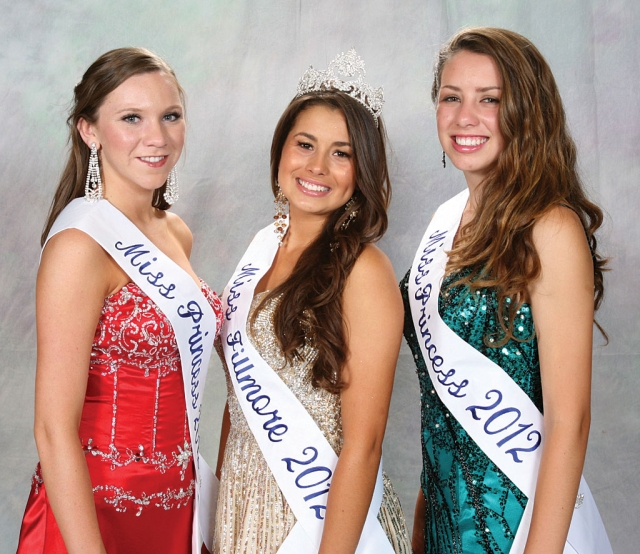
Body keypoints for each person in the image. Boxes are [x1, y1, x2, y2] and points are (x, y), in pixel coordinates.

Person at [402, 27, 612, 554]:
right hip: (445, 524)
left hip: (521, 524)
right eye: (451, 97)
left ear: (526, 113)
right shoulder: (445, 222)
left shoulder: (551, 227)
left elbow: (571, 419)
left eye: (489, 100)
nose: (463, 117)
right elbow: (438, 409)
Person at [16, 47, 223, 553]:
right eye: (132, 118)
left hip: (176, 508)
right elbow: (51, 428)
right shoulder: (79, 246)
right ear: (90, 131)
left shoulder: (176, 232)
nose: (157, 137)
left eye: (170, 116)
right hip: (95, 512)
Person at [215, 50, 411, 553]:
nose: (317, 167)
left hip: (321, 521)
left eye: (341, 153)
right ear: (281, 150)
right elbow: (237, 404)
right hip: (241, 509)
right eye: (305, 144)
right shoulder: (261, 250)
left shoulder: (364, 271)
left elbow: (364, 446)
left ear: (360, 171)